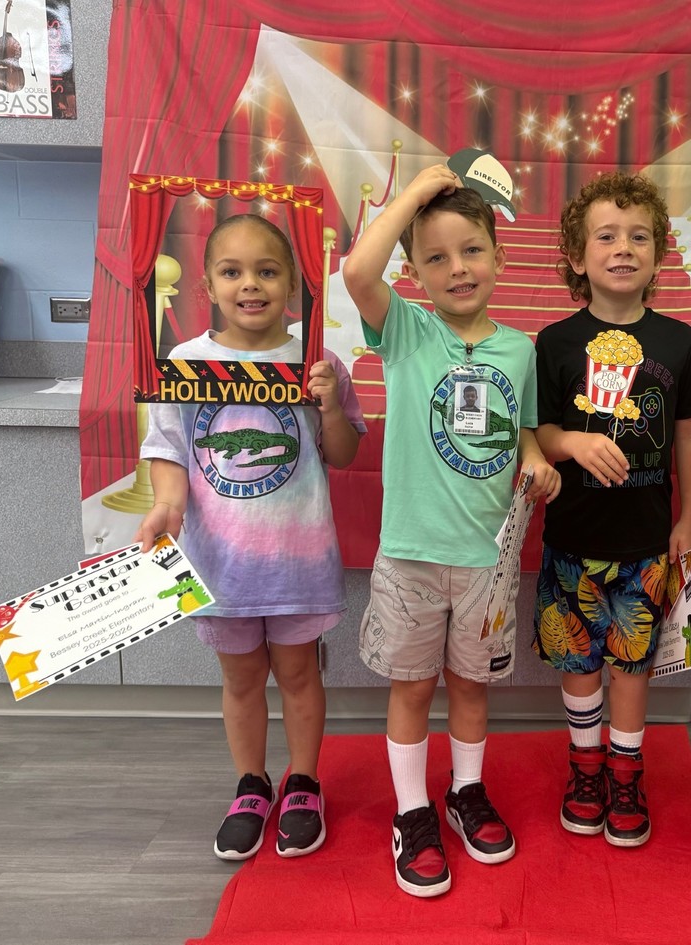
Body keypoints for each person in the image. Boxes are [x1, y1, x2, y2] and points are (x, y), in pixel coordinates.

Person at [342, 164, 560, 897]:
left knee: (472, 685)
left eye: (470, 250)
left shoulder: (520, 351)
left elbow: (523, 431)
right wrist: (412, 194)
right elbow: (356, 269)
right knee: (412, 686)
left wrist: (535, 462)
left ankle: (466, 791)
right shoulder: (405, 330)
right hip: (410, 553)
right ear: (414, 272)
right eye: (434, 257)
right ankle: (412, 810)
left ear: (499, 257)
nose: (456, 268)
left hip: (485, 558)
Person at [136, 214, 366, 862]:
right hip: (220, 562)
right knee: (240, 679)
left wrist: (326, 405)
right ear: (208, 282)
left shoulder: (316, 359)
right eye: (232, 271)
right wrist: (166, 506)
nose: (250, 284)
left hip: (297, 559)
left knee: (298, 672)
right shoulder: (182, 363)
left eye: (266, 270)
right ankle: (250, 784)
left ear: (291, 281)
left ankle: (303, 780)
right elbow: (170, 449)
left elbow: (343, 451)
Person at [532, 171, 691, 848]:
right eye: (606, 235)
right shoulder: (552, 342)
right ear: (578, 257)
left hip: (646, 541)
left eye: (639, 236)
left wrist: (688, 519)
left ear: (659, 254)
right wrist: (572, 441)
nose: (623, 247)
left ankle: (626, 770)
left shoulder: (678, 342)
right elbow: (539, 433)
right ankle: (584, 768)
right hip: (572, 536)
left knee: (632, 663)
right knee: (580, 662)